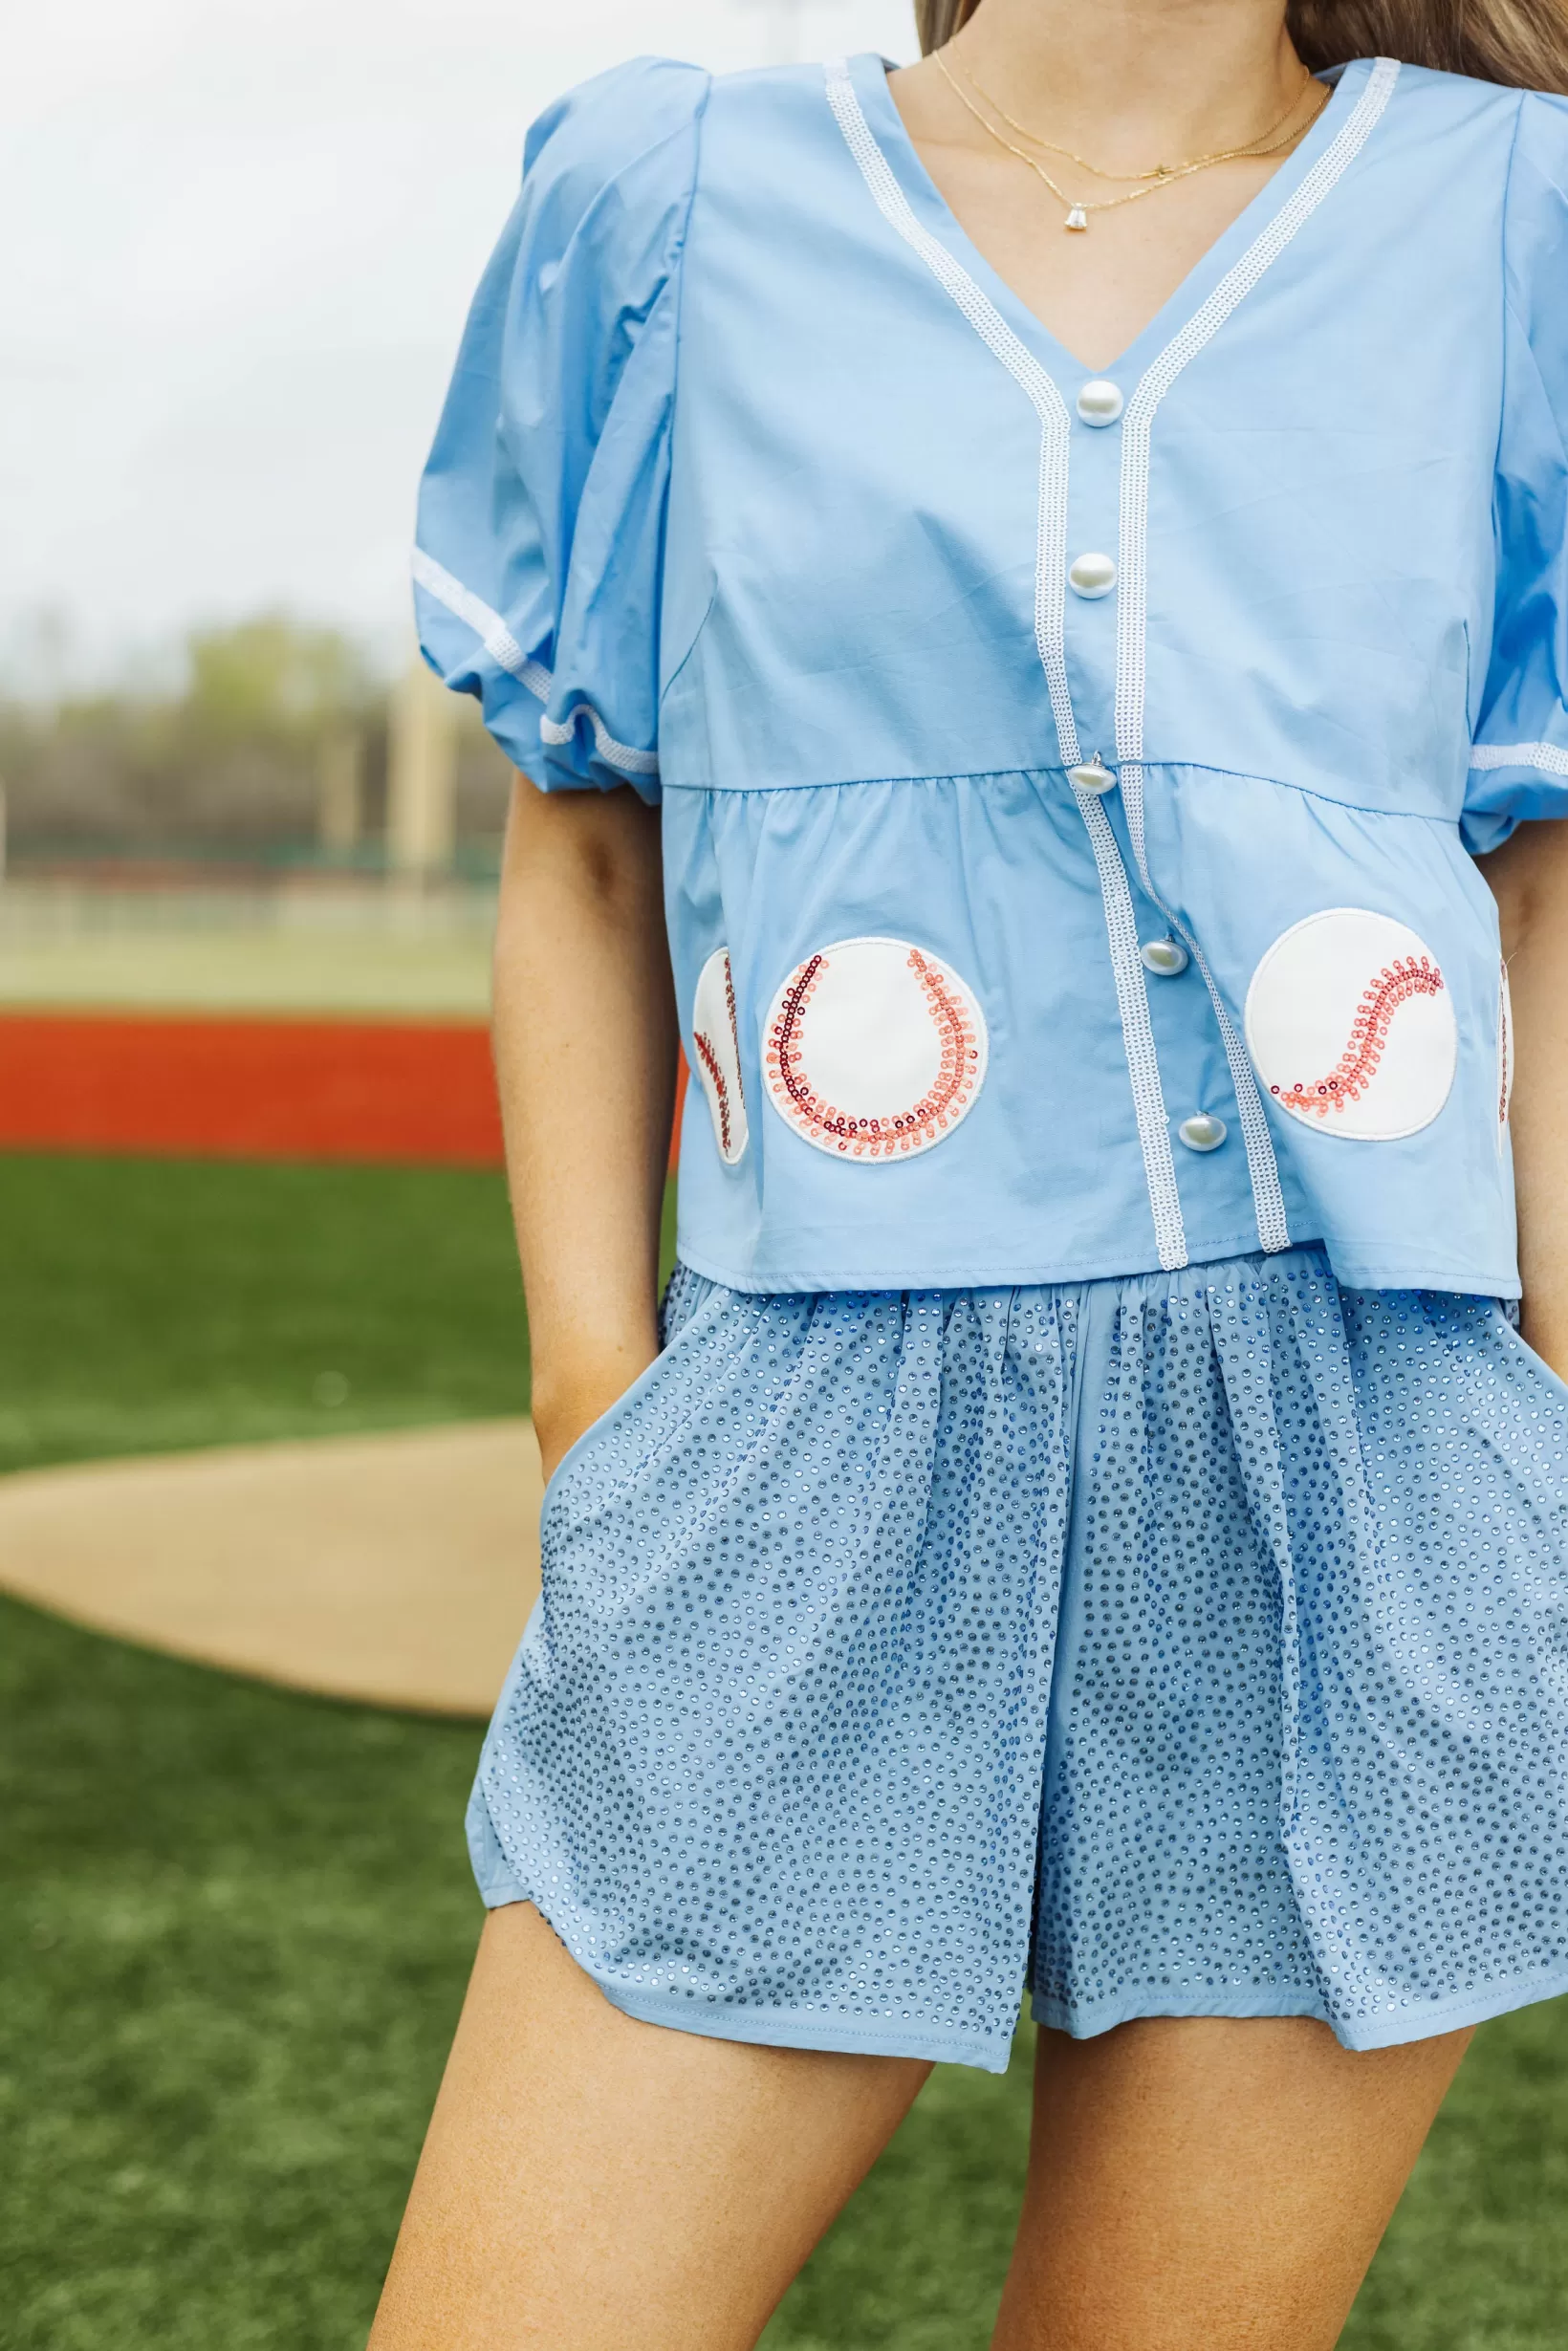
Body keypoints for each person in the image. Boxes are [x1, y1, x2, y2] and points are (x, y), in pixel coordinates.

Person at [373, 0, 1568, 2337]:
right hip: (799, 1434)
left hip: (1360, 1442)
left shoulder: (1516, 221)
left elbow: (1549, 867)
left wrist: (1540, 1411)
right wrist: (596, 1397)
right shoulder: (668, 200)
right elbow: (584, 843)